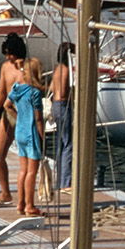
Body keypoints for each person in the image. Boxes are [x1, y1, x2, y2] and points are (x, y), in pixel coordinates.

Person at [0, 34, 27, 209]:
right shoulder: (5, 67)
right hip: (7, 113)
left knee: (25, 159)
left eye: (10, 54)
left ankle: (26, 199)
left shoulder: (29, 67)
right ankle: (5, 193)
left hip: (24, 114)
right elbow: (2, 91)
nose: (8, 57)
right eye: (6, 54)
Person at [10, 57, 47, 217]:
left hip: (20, 131)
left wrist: (19, 116)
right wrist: (42, 137)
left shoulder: (17, 88)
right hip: (31, 133)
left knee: (23, 170)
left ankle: (20, 203)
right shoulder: (35, 93)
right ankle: (30, 206)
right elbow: (38, 119)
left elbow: (7, 105)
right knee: (32, 171)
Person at [48, 42, 74, 191]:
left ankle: (60, 180)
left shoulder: (57, 69)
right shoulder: (66, 70)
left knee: (60, 143)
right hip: (64, 105)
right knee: (68, 144)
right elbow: (64, 92)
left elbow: (52, 88)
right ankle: (66, 182)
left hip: (55, 105)